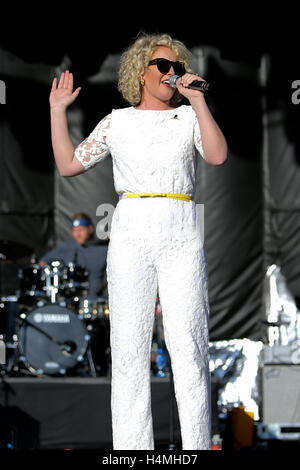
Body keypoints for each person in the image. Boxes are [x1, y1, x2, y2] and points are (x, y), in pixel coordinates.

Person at [49, 32, 227, 450]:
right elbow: (69, 164)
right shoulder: (117, 121)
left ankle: (198, 448)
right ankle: (133, 451)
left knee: (190, 344)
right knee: (128, 349)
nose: (170, 73)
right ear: (141, 73)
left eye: (176, 67)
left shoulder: (188, 117)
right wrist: (58, 112)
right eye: (162, 66)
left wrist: (198, 100)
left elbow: (217, 156)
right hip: (131, 229)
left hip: (181, 226)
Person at [39, 213, 108, 299]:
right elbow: (42, 262)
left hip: (96, 302)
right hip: (69, 302)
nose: (77, 234)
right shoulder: (66, 247)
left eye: (81, 230)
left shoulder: (104, 249)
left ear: (90, 229)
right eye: (74, 231)